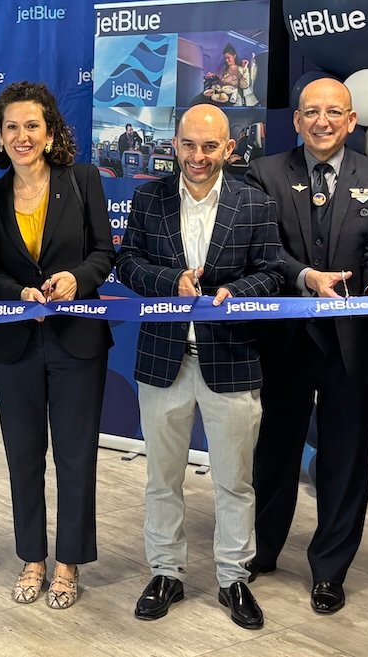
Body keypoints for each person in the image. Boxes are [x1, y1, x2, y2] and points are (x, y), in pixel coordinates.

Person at [117, 103, 283, 631]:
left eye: (210, 146)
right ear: (175, 145)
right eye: (188, 144)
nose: (198, 156)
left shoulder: (254, 202)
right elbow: (128, 262)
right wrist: (171, 283)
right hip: (162, 359)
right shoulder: (149, 197)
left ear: (229, 149)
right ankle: (166, 573)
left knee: (235, 482)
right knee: (162, 479)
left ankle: (234, 578)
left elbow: (273, 271)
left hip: (232, 358)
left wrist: (237, 292)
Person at [245, 77, 368, 614]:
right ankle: (263, 549)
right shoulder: (264, 173)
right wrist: (306, 277)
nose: (322, 121)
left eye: (334, 112)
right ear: (296, 120)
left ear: (352, 120)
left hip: (352, 344)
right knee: (274, 451)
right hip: (285, 341)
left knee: (346, 457)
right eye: (311, 112)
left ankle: (330, 571)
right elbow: (262, 249)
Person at [0, 81, 115, 609]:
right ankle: (32, 559)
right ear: (0, 136)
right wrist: (18, 293)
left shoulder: (83, 180)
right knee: (23, 457)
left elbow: (104, 251)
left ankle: (68, 563)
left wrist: (78, 279)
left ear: (51, 132)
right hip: (15, 344)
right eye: (11, 127)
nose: (22, 136)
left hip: (77, 342)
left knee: (76, 458)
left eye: (32, 125)